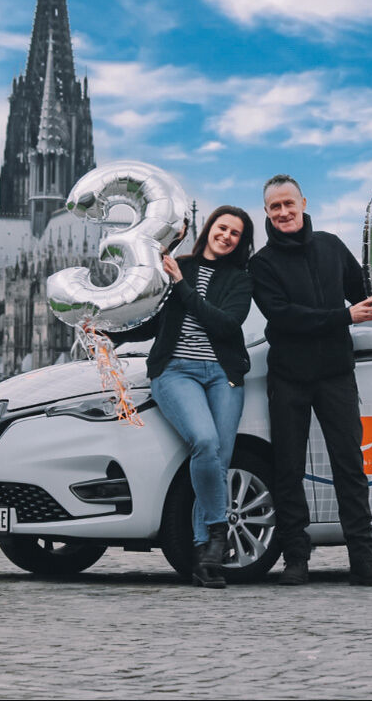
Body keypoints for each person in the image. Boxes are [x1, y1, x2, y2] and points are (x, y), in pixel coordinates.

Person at [248, 174, 372, 587]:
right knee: (288, 470)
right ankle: (296, 559)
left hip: (335, 375)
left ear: (303, 202)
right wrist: (345, 318)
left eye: (288, 204)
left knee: (350, 466)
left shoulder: (330, 246)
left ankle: (363, 560)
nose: (283, 212)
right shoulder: (261, 264)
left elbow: (363, 291)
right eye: (274, 207)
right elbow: (284, 317)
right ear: (267, 212)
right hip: (288, 378)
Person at [113, 206, 255, 588]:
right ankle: (216, 533)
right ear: (210, 228)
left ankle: (202, 557)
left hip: (223, 374)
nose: (226, 236)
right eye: (222, 228)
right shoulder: (178, 266)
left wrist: (183, 288)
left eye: (235, 234)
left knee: (216, 460)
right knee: (205, 442)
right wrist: (109, 332)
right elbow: (153, 322)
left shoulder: (240, 279)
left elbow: (226, 324)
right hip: (176, 372)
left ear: (241, 242)